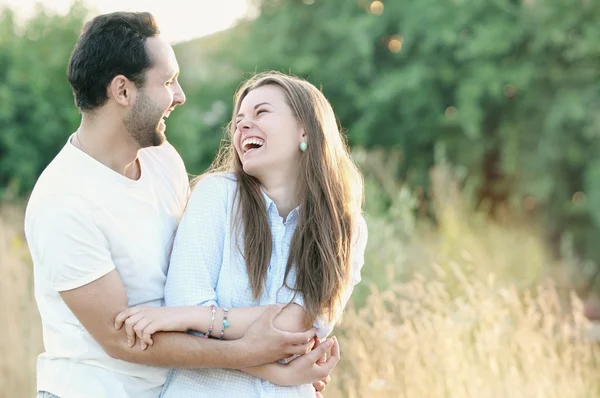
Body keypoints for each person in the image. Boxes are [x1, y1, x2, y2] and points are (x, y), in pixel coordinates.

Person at [24, 12, 337, 398]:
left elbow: (201, 275)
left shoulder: (162, 161)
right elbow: (122, 340)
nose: (180, 95)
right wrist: (259, 359)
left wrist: (288, 360)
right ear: (122, 91)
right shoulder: (63, 201)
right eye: (168, 81)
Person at [114, 71, 368, 397]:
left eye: (261, 112)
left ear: (305, 127)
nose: (243, 125)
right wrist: (280, 372)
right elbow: (186, 315)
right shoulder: (217, 196)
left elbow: (297, 325)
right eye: (239, 120)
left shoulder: (346, 227)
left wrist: (192, 316)